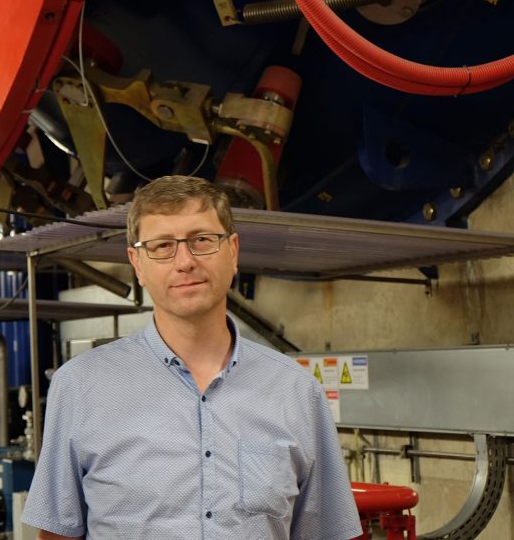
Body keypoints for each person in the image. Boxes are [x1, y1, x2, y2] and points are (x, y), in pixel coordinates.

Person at [20, 175, 362, 539]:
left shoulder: (297, 391)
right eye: (162, 246)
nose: (185, 261)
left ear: (233, 251)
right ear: (137, 264)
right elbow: (57, 534)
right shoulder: (79, 386)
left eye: (202, 240)